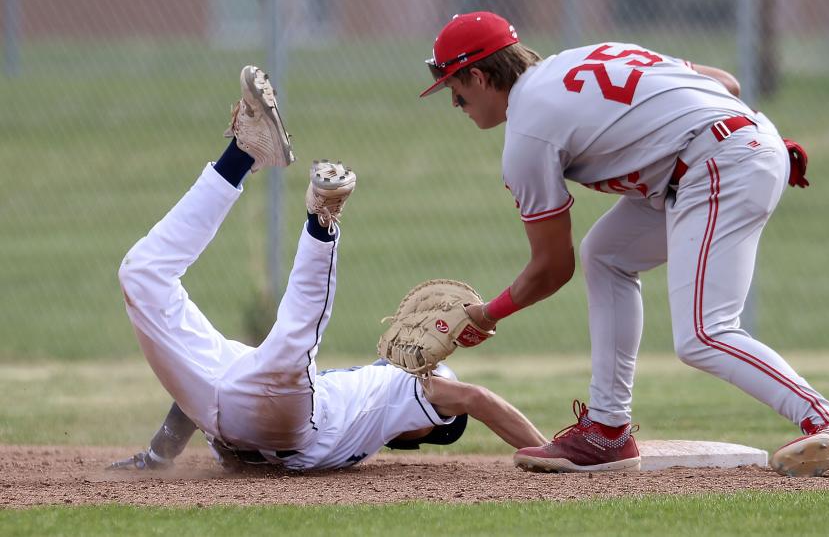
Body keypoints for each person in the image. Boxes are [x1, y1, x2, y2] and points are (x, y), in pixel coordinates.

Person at [418, 12, 829, 477]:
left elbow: (550, 267)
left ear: (478, 76)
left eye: (455, 94)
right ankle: (607, 431)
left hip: (717, 164)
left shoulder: (527, 132)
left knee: (705, 333)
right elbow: (726, 83)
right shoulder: (578, 60)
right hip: (727, 149)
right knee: (606, 253)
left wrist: (486, 315)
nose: (457, 105)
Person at [109, 65, 546, 472]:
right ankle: (247, 154)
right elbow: (192, 391)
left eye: (438, 405)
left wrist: (553, 454)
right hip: (253, 395)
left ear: (427, 427)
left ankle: (321, 221)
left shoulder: (400, 395)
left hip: (284, 417)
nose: (424, 372)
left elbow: (474, 398)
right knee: (142, 274)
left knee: (289, 346)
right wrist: (158, 457)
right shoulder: (391, 388)